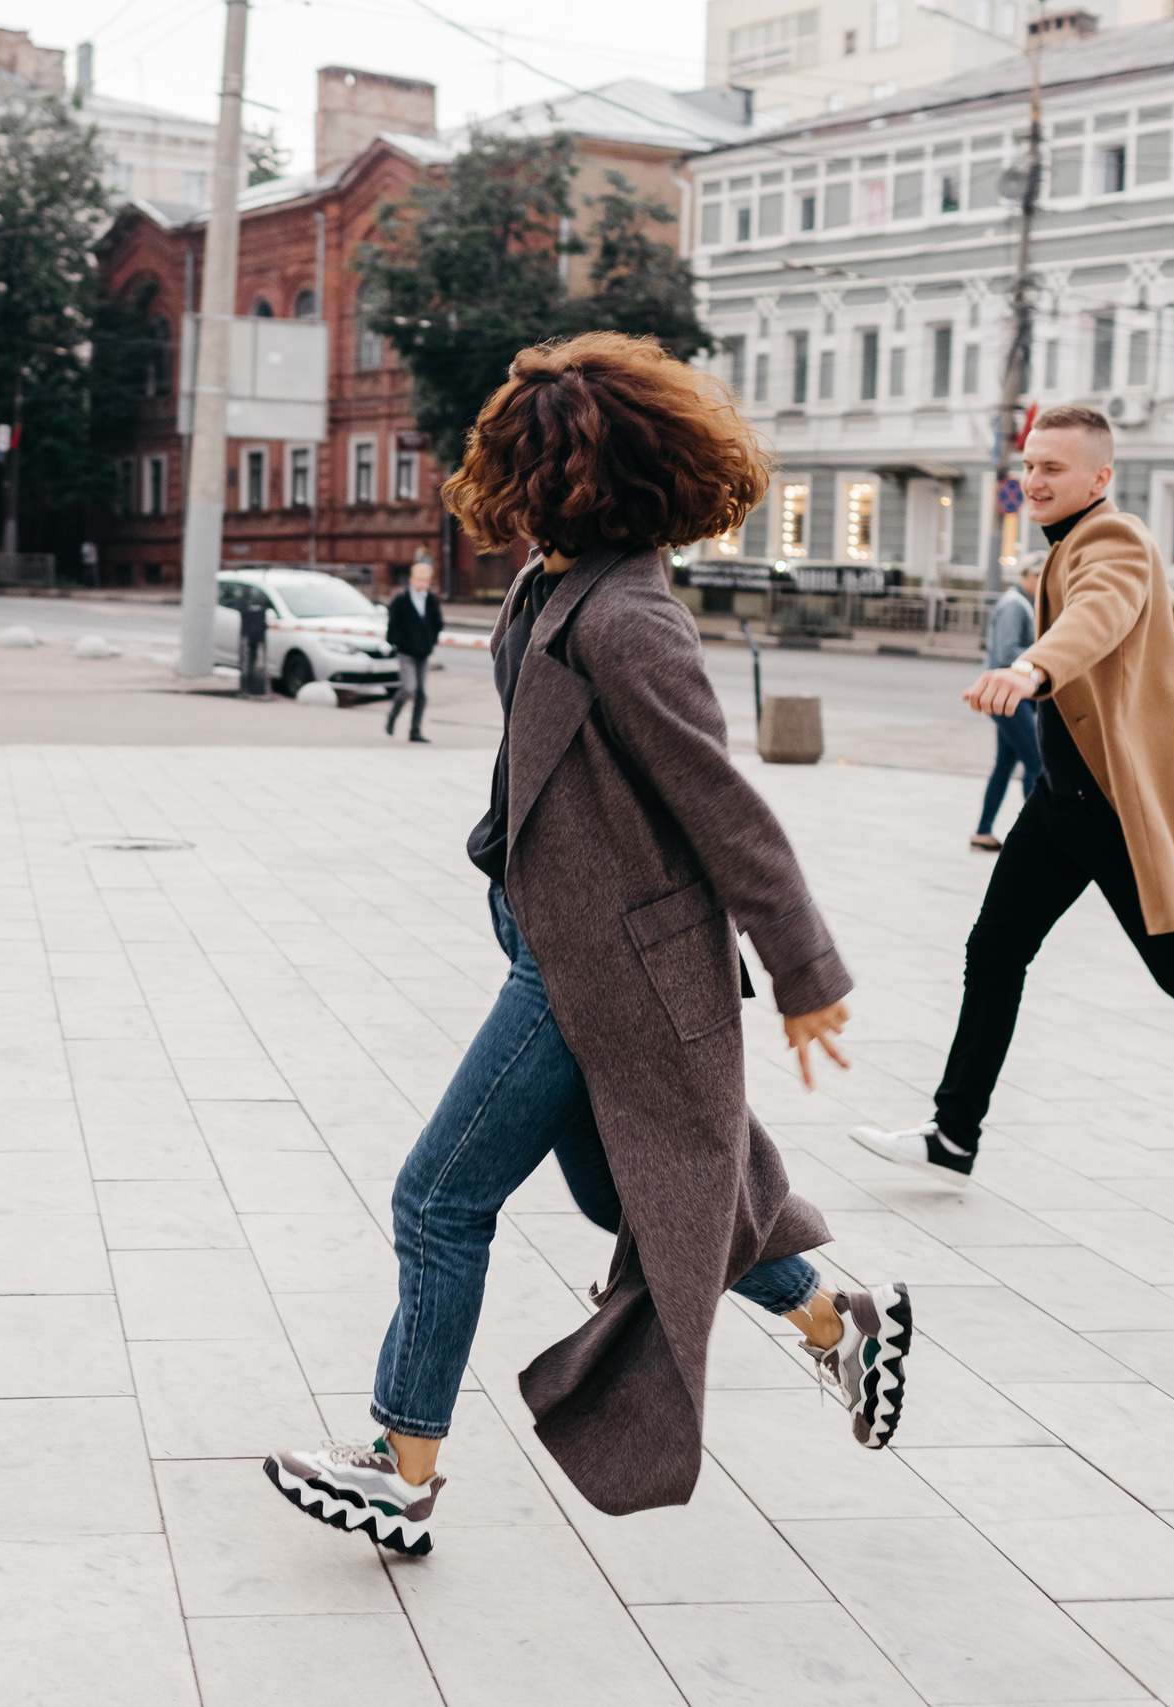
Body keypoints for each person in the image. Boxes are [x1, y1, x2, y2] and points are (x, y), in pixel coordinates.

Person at [263, 332, 913, 1559]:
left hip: (593, 972)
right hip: (565, 942)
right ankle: (843, 1318)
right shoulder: (549, 584)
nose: (495, 484)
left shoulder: (627, 620)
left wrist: (802, 970)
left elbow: (723, 802)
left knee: (438, 1199)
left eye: (515, 461)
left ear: (570, 477)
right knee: (643, 1191)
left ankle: (400, 1472)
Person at [851, 407, 1174, 1201]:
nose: (1034, 480)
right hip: (1061, 804)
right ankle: (953, 1135)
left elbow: (1101, 614)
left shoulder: (1116, 540)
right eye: (1029, 466)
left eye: (1053, 468)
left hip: (1108, 808)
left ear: (1100, 478)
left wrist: (1030, 669)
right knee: (993, 952)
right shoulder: (1061, 547)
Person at [973, 563, 1044, 851]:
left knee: (1004, 765)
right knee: (1036, 763)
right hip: (1007, 695)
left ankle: (982, 832)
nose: (1042, 581)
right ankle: (1039, 836)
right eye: (1039, 575)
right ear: (1026, 575)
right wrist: (1048, 654)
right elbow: (1006, 652)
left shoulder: (1025, 603)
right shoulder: (1015, 605)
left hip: (1009, 695)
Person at [384, 552, 444, 741]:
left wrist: (430, 641)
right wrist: (397, 642)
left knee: (421, 693)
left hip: (423, 652)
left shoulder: (431, 600)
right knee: (408, 688)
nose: (421, 583)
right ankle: (393, 715)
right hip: (405, 652)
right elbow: (392, 626)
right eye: (418, 579)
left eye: (425, 580)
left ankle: (415, 731)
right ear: (411, 580)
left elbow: (437, 623)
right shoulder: (400, 600)